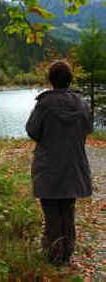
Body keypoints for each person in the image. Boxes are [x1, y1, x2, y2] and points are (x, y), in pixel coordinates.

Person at [26, 60, 93, 266]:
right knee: (67, 209)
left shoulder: (44, 104)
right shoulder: (81, 103)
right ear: (69, 80)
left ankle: (54, 255)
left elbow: (32, 130)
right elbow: (88, 128)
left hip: (48, 167)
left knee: (51, 211)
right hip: (73, 166)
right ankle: (66, 252)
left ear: (51, 80)